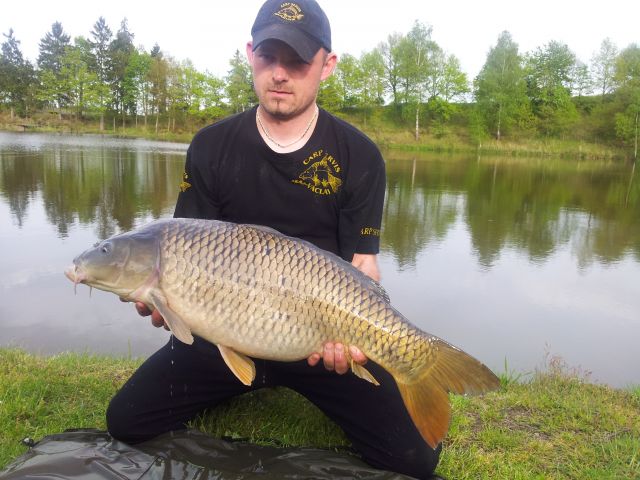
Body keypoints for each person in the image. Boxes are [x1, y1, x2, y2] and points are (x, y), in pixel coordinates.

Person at [107, 1, 442, 478]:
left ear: (327, 65)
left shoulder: (360, 156)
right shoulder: (211, 146)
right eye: (269, 56)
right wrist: (164, 302)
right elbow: (178, 254)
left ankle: (417, 365)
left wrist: (354, 340)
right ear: (250, 54)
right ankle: (246, 379)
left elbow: (362, 268)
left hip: (318, 338)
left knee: (414, 459)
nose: (280, 74)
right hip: (222, 329)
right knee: (126, 422)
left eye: (298, 61)